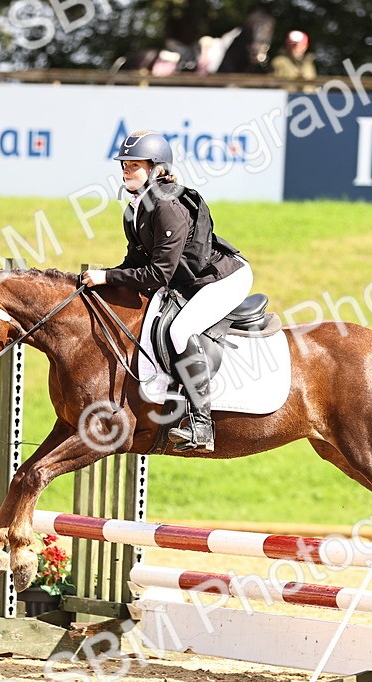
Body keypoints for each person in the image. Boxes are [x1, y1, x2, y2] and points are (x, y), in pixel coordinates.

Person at [81, 131, 252, 453]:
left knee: (180, 330)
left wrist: (107, 276)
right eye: (124, 165)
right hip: (187, 280)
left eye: (135, 165)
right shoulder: (135, 208)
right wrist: (105, 283)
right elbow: (135, 262)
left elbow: (159, 274)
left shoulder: (167, 206)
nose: (126, 171)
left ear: (157, 168)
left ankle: (201, 424)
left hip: (222, 279)